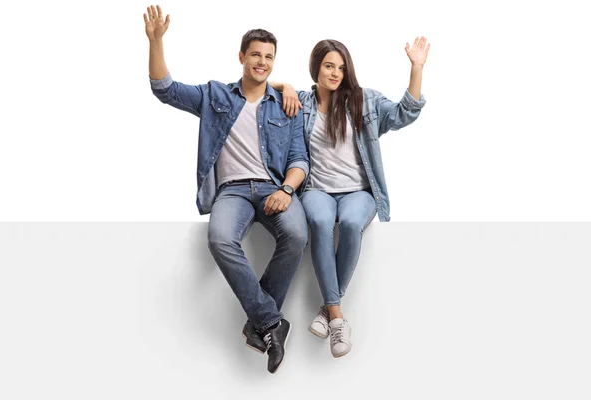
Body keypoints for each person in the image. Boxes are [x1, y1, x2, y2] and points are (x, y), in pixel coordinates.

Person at [144, 5, 309, 373]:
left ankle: (260, 325)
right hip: (232, 192)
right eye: (255, 55)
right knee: (219, 239)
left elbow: (300, 160)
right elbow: (164, 89)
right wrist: (156, 42)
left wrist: (286, 189)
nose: (262, 62)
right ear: (241, 56)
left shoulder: (286, 106)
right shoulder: (215, 94)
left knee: (297, 234)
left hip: (273, 187)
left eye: (269, 57)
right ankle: (271, 321)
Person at [271, 37, 430, 358]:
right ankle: (338, 319)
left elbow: (404, 113)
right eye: (329, 66)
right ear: (316, 67)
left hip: (359, 191)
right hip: (317, 189)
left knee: (352, 223)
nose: (335, 73)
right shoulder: (300, 103)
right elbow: (257, 85)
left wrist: (417, 68)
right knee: (318, 220)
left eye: (341, 68)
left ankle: (328, 310)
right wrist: (285, 85)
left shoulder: (364, 101)